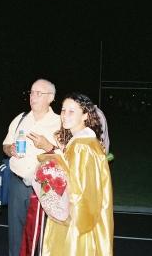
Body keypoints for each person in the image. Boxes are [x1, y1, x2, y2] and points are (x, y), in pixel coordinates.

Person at [43, 92, 114, 256]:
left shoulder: (81, 146)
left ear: (85, 116)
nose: (65, 115)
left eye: (71, 111)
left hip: (76, 219)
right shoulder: (85, 141)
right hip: (82, 215)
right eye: (63, 110)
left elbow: (79, 190)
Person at [3, 79, 61, 256]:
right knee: (16, 235)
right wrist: (10, 149)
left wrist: (48, 145)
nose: (33, 97)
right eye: (31, 92)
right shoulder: (20, 119)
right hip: (18, 184)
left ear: (50, 98)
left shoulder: (60, 123)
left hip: (45, 188)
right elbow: (5, 145)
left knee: (42, 234)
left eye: (39, 93)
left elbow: (67, 157)